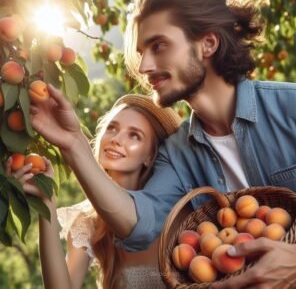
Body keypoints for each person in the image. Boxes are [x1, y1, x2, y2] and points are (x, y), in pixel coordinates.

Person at [30, 0, 296, 288]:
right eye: (142, 51)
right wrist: (73, 143)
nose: (144, 66)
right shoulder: (177, 153)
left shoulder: (292, 108)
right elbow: (137, 224)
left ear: (208, 43)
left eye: (159, 46)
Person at [8, 94, 181, 289]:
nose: (116, 139)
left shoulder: (171, 211)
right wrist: (46, 203)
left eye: (134, 135)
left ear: (150, 156)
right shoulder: (88, 222)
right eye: (112, 128)